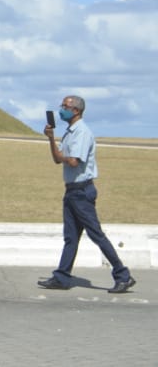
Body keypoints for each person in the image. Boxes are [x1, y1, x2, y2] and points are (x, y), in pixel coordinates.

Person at [37, 95, 136, 294]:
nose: (61, 109)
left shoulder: (81, 133)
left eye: (65, 106)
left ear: (76, 110)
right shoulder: (70, 132)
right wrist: (50, 139)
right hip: (72, 190)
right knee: (71, 238)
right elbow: (58, 160)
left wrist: (63, 155)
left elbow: (74, 161)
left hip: (82, 191)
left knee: (96, 235)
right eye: (62, 105)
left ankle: (123, 275)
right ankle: (62, 276)